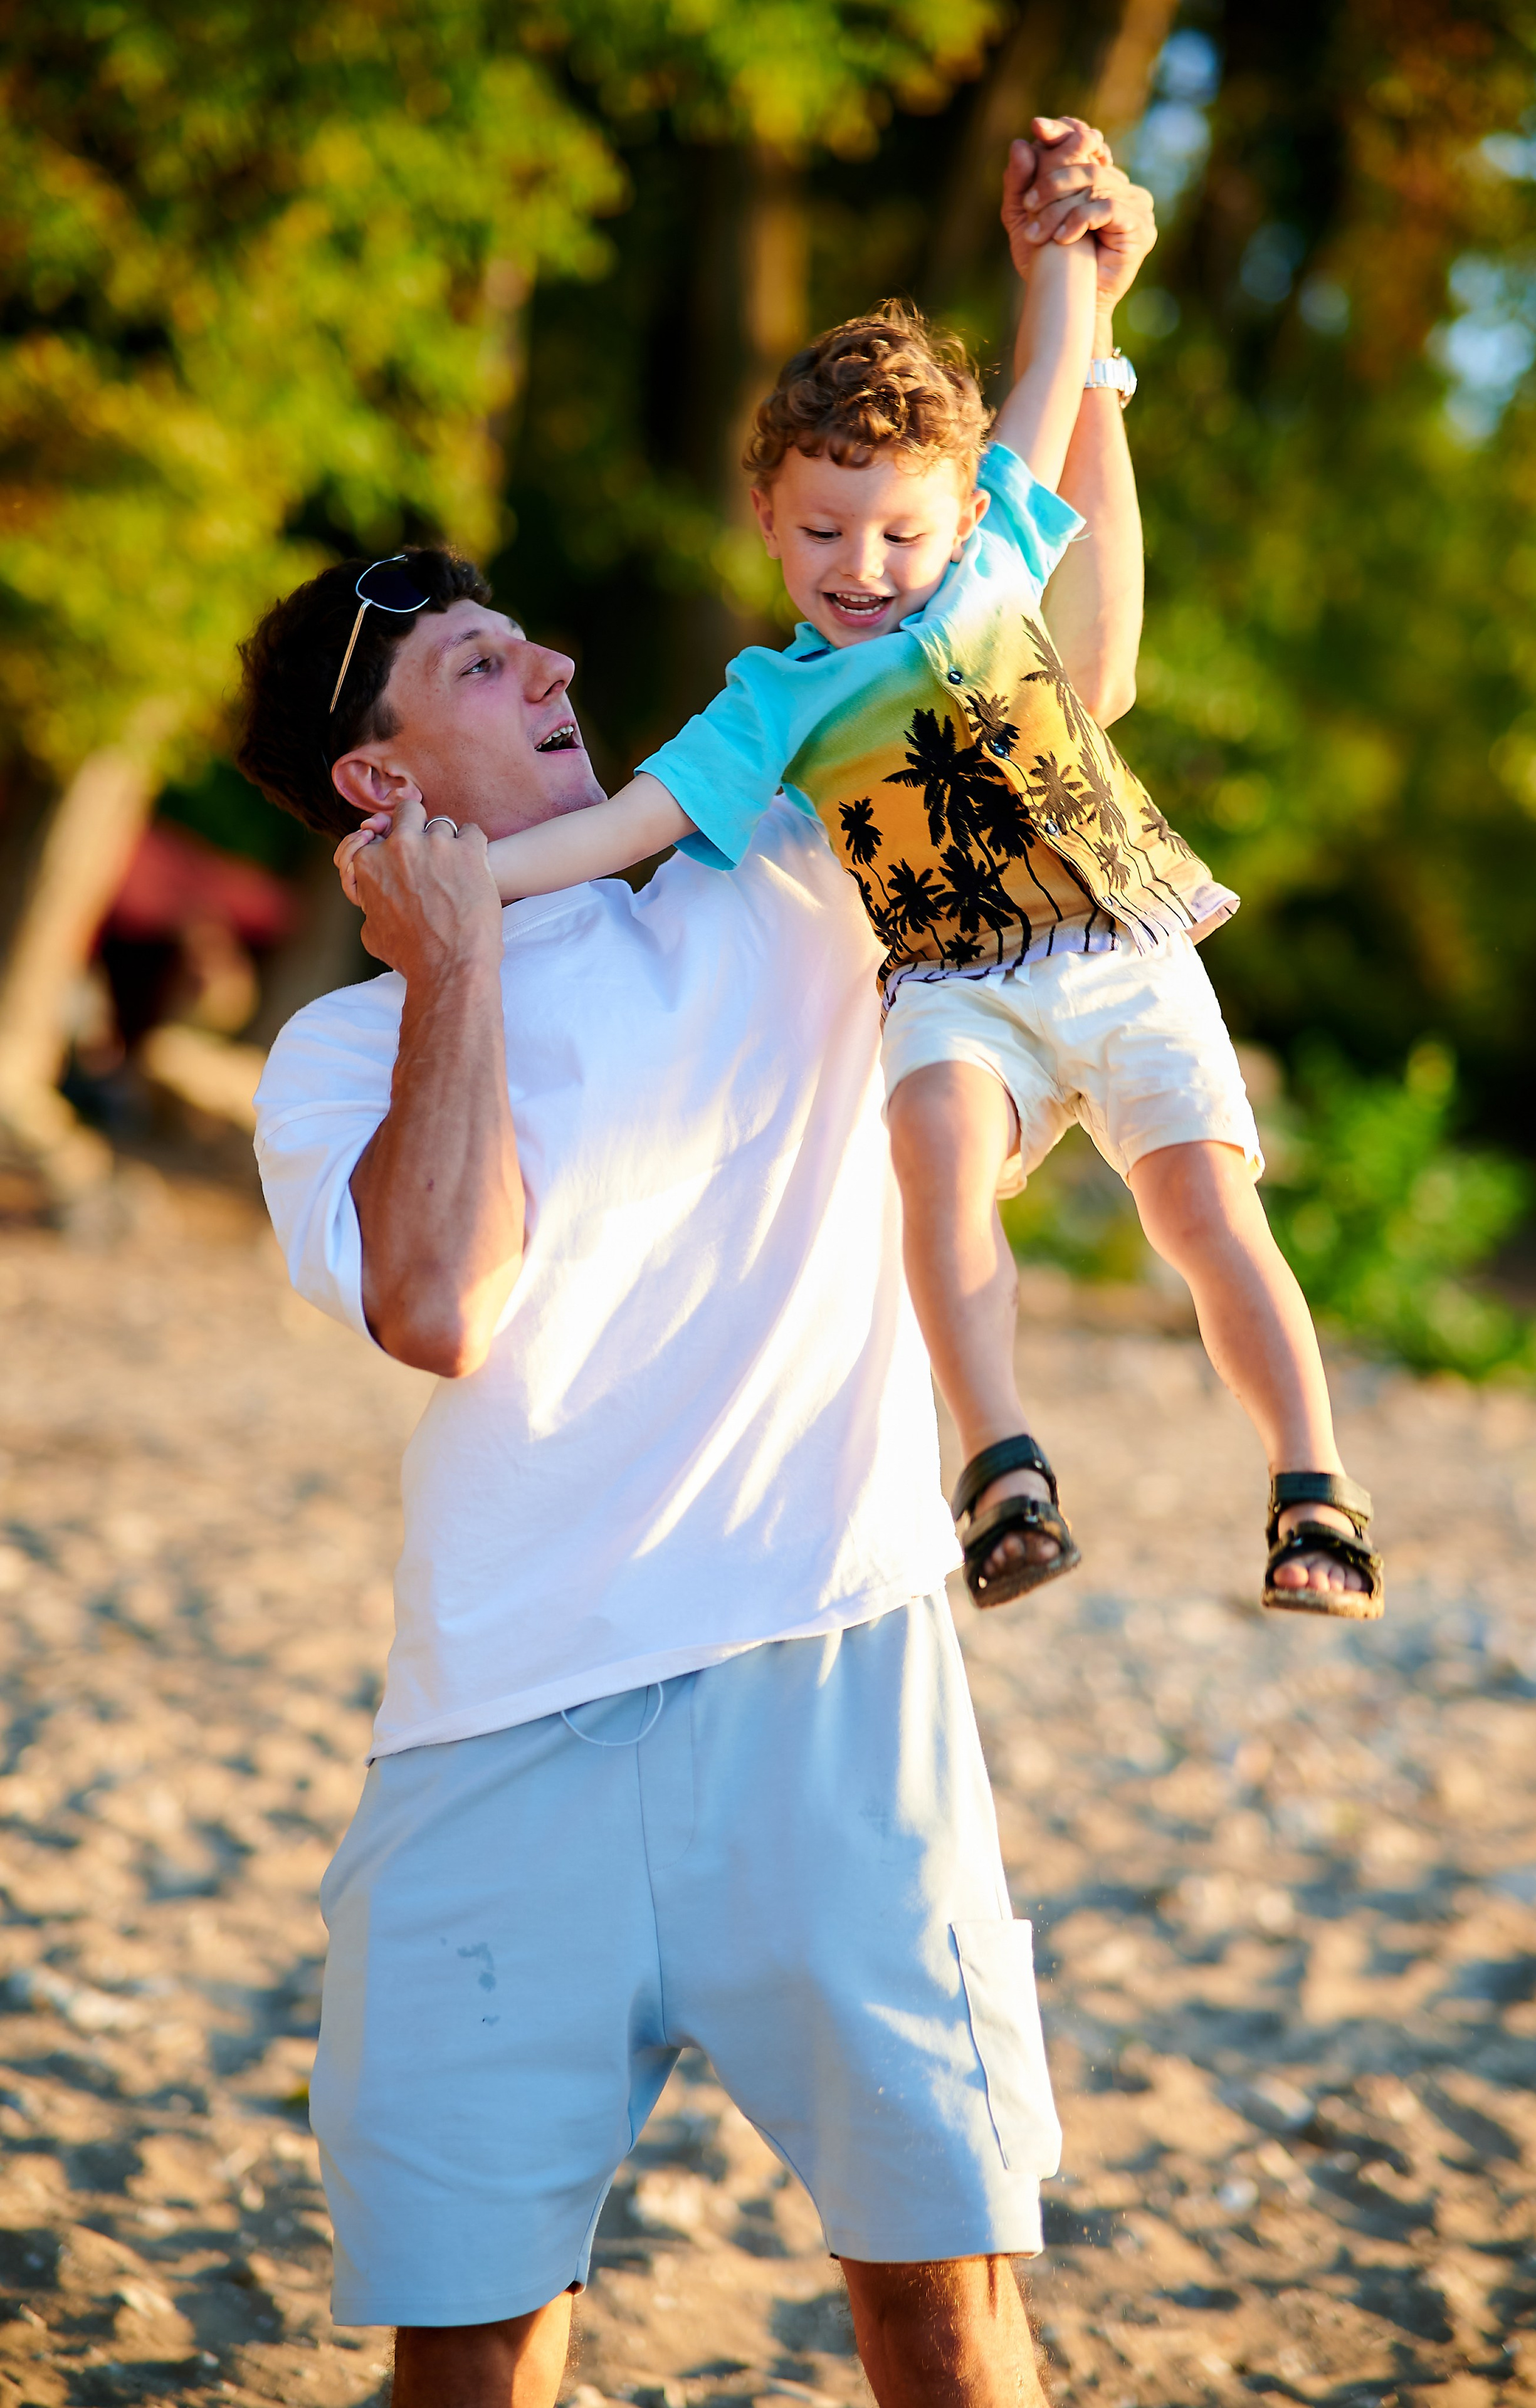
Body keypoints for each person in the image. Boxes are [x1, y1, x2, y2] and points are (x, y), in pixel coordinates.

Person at [241, 121, 1154, 2408]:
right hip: (489, 1735)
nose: (548, 651)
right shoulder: (339, 1056)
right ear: (380, 784)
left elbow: (1040, 663)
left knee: (942, 2310)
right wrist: (455, 965)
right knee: (471, 2351)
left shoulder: (771, 878)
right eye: (475, 657)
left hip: (828, 1678)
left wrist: (1085, 326)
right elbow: (445, 1300)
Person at [340, 146, 1383, 1622]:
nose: (863, 566)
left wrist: (1066, 262)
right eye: (822, 531)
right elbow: (632, 818)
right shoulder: (770, 702)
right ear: (765, 520)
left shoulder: (991, 558)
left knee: (1206, 1215)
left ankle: (1311, 1487)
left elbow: (1044, 380)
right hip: (956, 983)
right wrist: (465, 872)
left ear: (959, 516)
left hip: (1117, 944)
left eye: (898, 531)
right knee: (936, 1169)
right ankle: (1002, 1467)